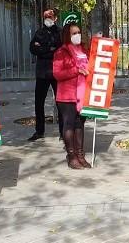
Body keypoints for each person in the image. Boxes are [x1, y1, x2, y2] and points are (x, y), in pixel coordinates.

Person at [53, 23, 91, 169]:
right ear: (67, 35)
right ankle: (71, 156)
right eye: (74, 33)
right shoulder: (61, 52)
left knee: (79, 125)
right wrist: (77, 70)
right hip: (67, 96)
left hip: (82, 94)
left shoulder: (84, 50)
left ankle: (80, 155)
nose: (77, 35)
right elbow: (57, 74)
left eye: (78, 32)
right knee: (68, 125)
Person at [28, 9, 62, 141]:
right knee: (39, 103)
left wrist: (42, 49)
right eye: (46, 16)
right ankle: (39, 131)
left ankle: (63, 132)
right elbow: (33, 49)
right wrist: (50, 49)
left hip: (56, 71)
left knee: (61, 102)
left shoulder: (59, 33)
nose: (48, 18)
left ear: (55, 18)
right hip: (42, 73)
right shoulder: (39, 32)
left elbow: (59, 50)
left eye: (50, 16)